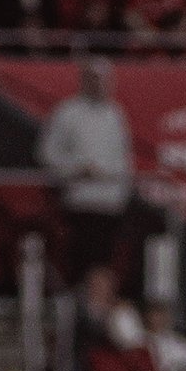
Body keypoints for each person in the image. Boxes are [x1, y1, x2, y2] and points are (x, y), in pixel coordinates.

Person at [38, 59, 135, 281]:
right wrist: (77, 169)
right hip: (80, 200)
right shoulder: (67, 112)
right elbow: (48, 153)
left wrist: (120, 188)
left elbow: (123, 157)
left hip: (111, 202)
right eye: (95, 79)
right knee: (81, 260)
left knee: (105, 263)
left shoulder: (115, 114)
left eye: (105, 80)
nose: (101, 85)